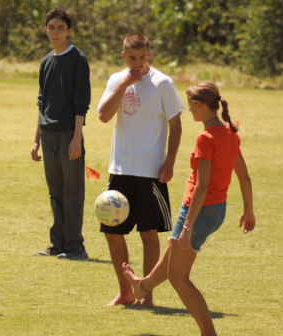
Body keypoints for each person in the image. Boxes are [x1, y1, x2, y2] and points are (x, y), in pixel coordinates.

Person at [122, 81, 256, 336]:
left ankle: (209, 333)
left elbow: (202, 187)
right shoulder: (229, 132)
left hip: (199, 212)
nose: (187, 109)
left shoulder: (206, 138)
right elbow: (244, 177)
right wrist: (248, 211)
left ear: (201, 105)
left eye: (190, 105)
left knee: (178, 278)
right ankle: (142, 286)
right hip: (216, 210)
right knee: (172, 252)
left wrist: (188, 226)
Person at [97, 33, 185, 306]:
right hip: (119, 171)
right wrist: (124, 84)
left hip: (150, 173)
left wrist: (169, 162)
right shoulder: (115, 80)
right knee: (113, 233)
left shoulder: (163, 83)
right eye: (132, 58)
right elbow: (103, 116)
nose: (138, 63)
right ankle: (125, 292)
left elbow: (176, 125)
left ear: (149, 55)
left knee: (148, 234)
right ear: (123, 56)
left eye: (142, 57)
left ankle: (145, 295)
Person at [31, 7, 91, 260]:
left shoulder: (78, 59)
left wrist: (76, 138)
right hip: (48, 135)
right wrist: (35, 140)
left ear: (69, 31)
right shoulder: (46, 61)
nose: (55, 32)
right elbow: (42, 102)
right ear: (46, 30)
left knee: (72, 192)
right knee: (55, 192)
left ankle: (75, 247)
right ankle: (58, 245)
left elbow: (81, 103)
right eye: (51, 28)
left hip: (68, 134)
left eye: (60, 28)